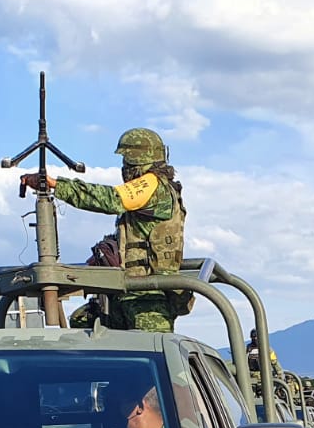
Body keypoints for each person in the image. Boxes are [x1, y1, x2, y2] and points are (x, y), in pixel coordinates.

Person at [23, 128, 191, 332]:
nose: (124, 169)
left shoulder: (154, 186)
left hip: (149, 296)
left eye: (126, 162)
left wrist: (56, 185)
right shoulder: (150, 191)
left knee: (150, 350)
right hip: (127, 289)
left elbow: (111, 199)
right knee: (83, 321)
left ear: (135, 161)